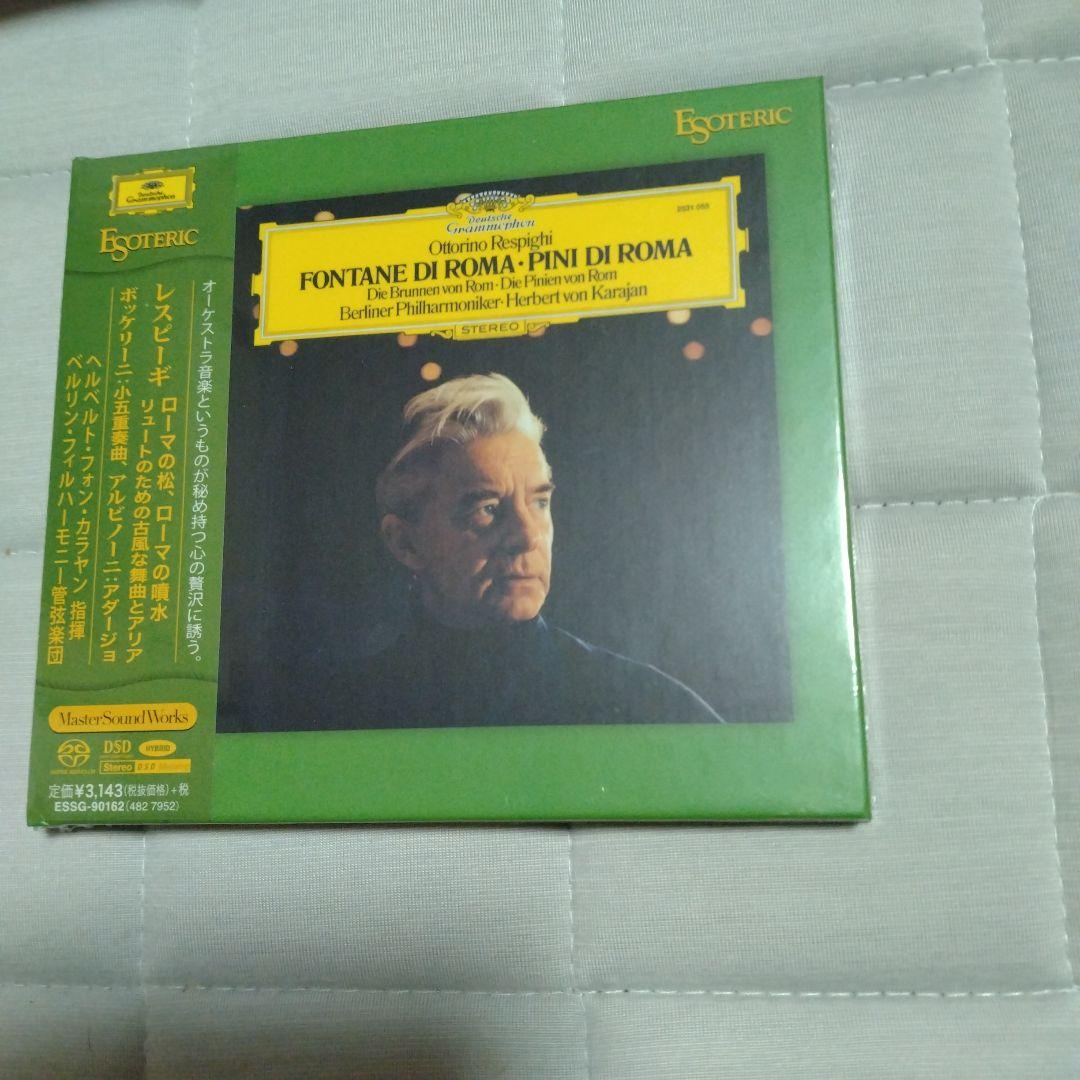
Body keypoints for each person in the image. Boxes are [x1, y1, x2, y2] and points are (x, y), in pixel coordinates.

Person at [332, 372, 722, 729]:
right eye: (487, 509)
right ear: (404, 542)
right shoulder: (338, 712)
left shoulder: (649, 708)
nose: (528, 536)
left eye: (539, 503)